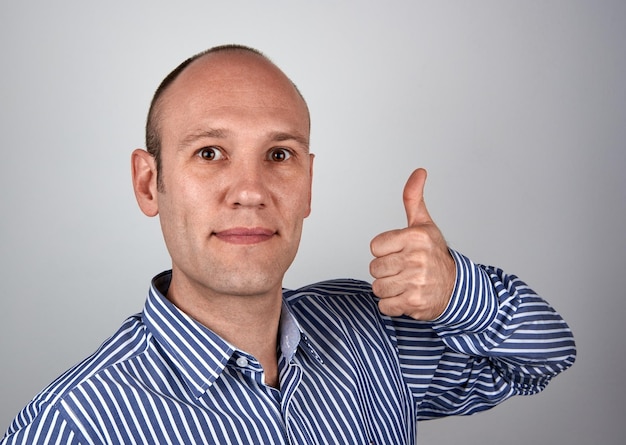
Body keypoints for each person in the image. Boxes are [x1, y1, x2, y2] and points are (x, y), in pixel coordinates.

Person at [1, 44, 576, 445]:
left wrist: (455, 291)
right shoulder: (73, 427)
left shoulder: (377, 338)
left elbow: (543, 356)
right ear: (149, 183)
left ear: (307, 185)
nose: (250, 191)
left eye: (279, 155)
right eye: (209, 153)